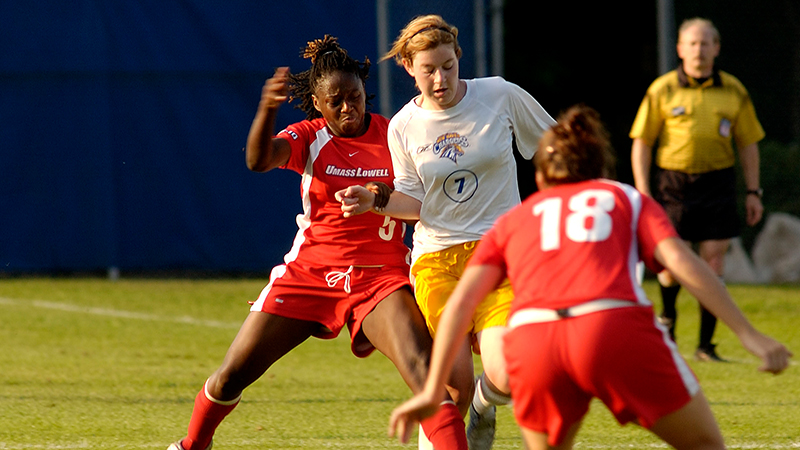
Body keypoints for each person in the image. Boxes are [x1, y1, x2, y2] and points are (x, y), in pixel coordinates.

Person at [387, 104, 792, 450]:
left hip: (536, 342)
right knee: (706, 445)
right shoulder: (624, 197)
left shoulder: (516, 219)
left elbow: (461, 303)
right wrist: (748, 334)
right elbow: (684, 263)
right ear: (601, 168)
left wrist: (431, 390)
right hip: (612, 327)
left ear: (542, 178)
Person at [166, 35, 468, 450]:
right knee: (232, 373)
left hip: (379, 278)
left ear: (366, 91)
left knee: (425, 374)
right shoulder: (309, 137)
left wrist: (378, 197)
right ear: (318, 104)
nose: (348, 107)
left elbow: (420, 199)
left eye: (355, 96)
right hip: (311, 273)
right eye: (337, 100)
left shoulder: (397, 131)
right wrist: (267, 109)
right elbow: (258, 160)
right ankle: (192, 445)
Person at [336, 14, 555, 450]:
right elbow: (415, 204)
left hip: (500, 256)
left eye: (448, 66)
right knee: (450, 387)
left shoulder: (499, 94)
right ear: (408, 69)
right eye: (428, 70)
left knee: (507, 376)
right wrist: (376, 198)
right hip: (438, 261)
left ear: (459, 56)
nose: (441, 79)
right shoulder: (402, 126)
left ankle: (485, 404)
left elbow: (554, 148)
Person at [630, 17, 766, 362]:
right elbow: (642, 142)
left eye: (706, 43)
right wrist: (643, 191)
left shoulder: (733, 90)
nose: (699, 50)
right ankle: (669, 322)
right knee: (673, 261)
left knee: (713, 257)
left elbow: (748, 143)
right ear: (680, 48)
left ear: (716, 48)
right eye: (692, 43)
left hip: (717, 181)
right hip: (673, 183)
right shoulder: (663, 88)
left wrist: (754, 191)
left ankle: (707, 345)